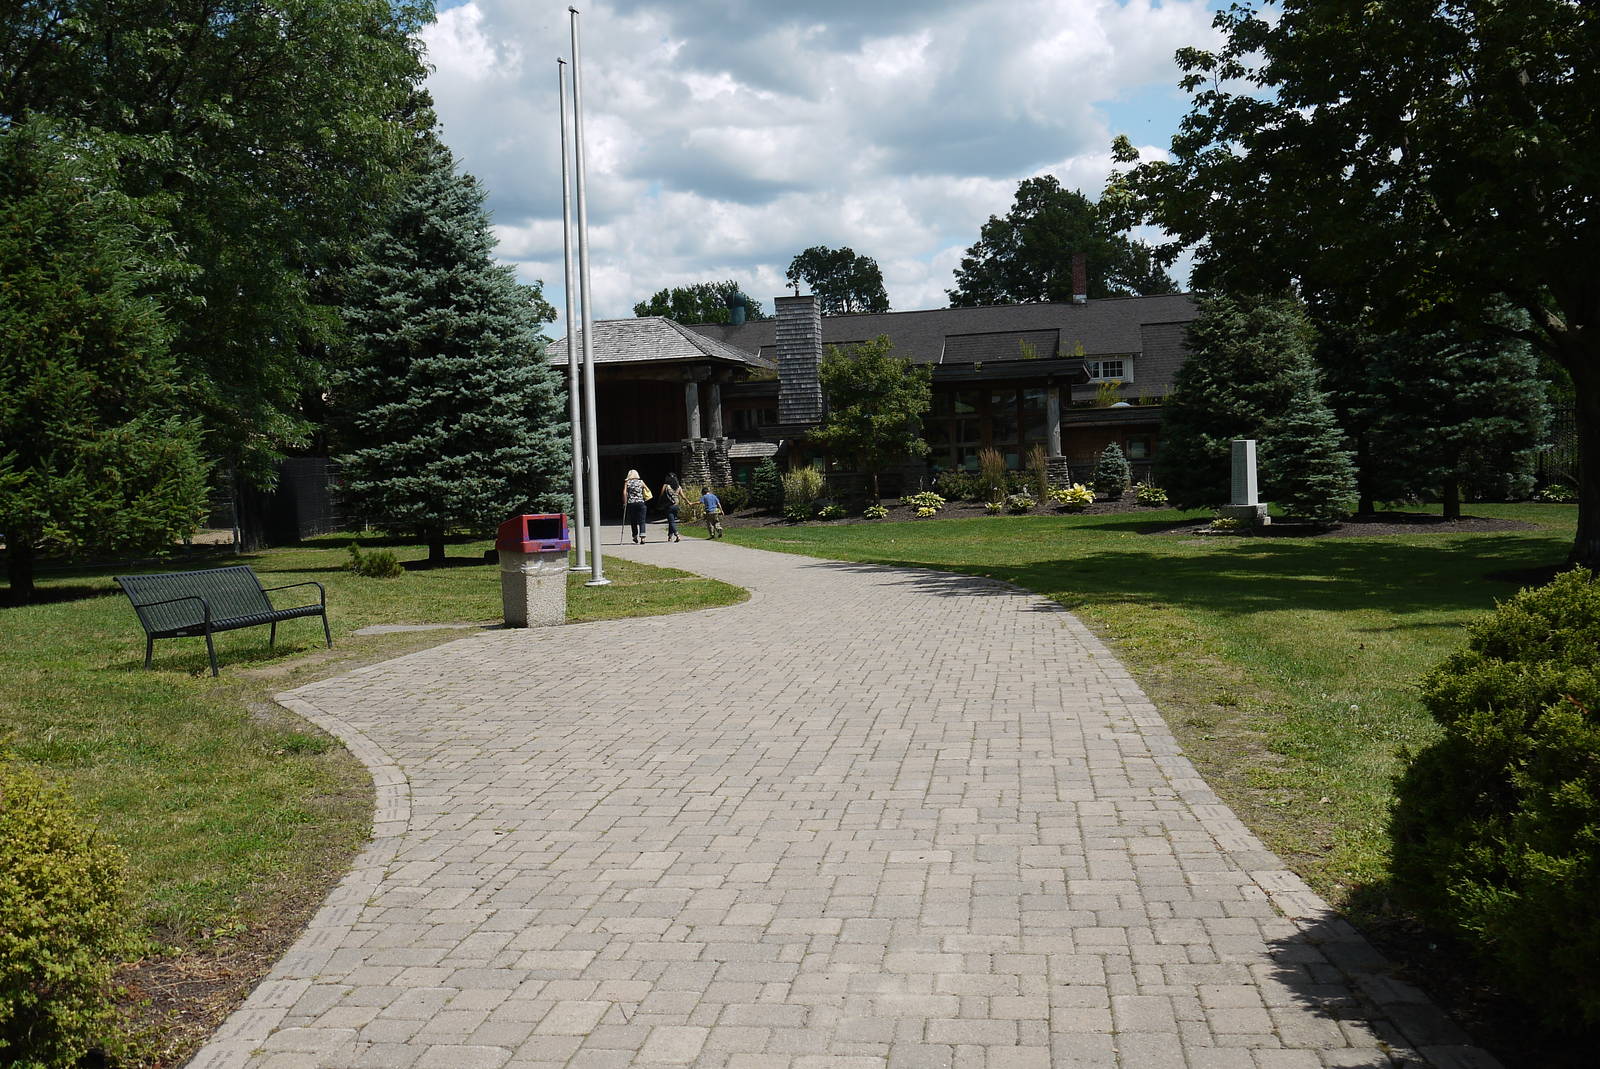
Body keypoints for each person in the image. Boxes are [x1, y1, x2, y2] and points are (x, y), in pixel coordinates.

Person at [622, 469, 651, 543]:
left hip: (631, 503)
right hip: (641, 503)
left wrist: (624, 503)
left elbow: (624, 493)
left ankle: (635, 536)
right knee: (642, 520)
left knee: (633, 520)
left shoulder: (627, 482)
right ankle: (643, 538)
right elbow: (647, 489)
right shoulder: (641, 482)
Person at [659, 472, 683, 542]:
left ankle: (677, 535)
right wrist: (689, 502)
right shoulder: (678, 486)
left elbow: (661, 494)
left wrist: (659, 503)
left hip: (668, 505)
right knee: (671, 521)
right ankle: (670, 536)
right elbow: (683, 496)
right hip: (676, 505)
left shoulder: (666, 485)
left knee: (671, 521)